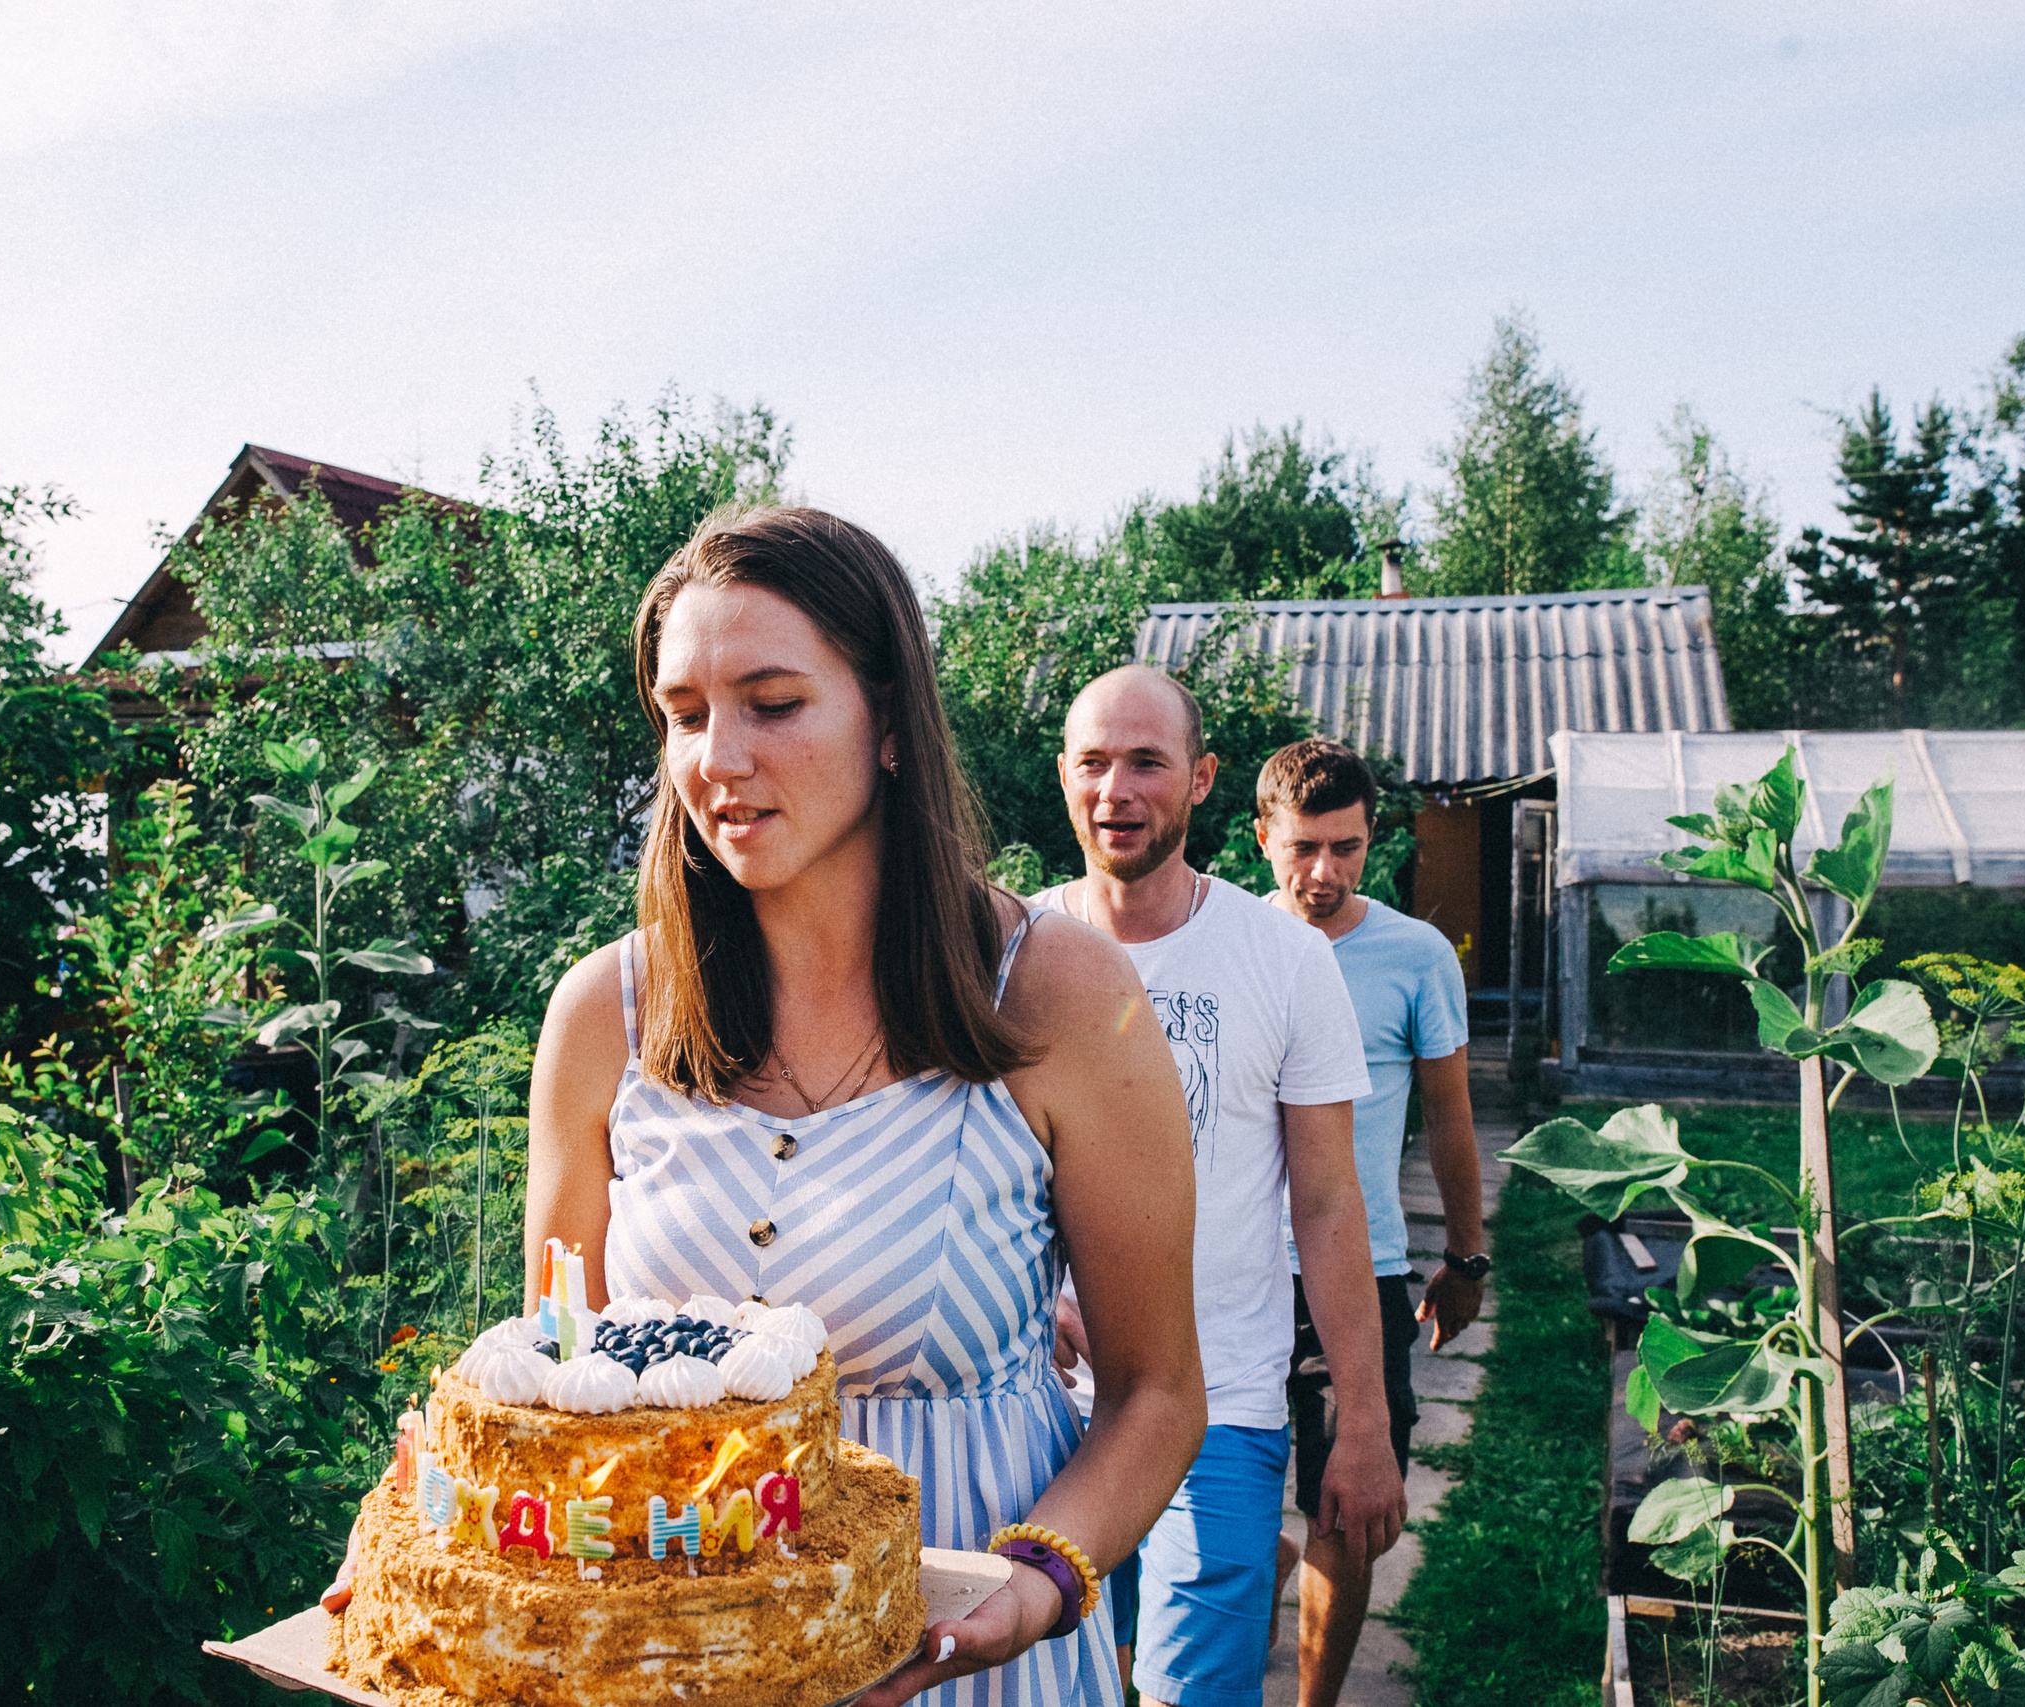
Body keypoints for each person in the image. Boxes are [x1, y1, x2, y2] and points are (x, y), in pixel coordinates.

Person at [524, 507, 1209, 1707]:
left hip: (969, 1667)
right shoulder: (605, 1014)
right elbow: (550, 1372)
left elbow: (1157, 1392)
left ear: (888, 720)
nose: (716, 759)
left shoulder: (1056, 995)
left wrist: (1039, 1580)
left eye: (773, 703)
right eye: (684, 715)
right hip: (677, 1666)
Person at [1040, 666, 1405, 1707]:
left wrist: (1365, 1425)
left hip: (1220, 1407)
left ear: (1199, 780)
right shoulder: (1009, 953)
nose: (1118, 788)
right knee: (1049, 1683)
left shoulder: (1281, 959)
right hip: (1035, 1410)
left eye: (1147, 762)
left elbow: (1329, 1204)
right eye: (1095, 762)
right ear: (1063, 776)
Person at [1253, 738, 1486, 1707]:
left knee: (1349, 1512)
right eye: (1304, 847)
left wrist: (1465, 1256)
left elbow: (1448, 1115)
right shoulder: (1230, 943)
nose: (1324, 873)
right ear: (1262, 836)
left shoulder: (1414, 957)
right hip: (1230, 1272)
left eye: (1346, 849)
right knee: (1206, 1492)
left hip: (1359, 1267)